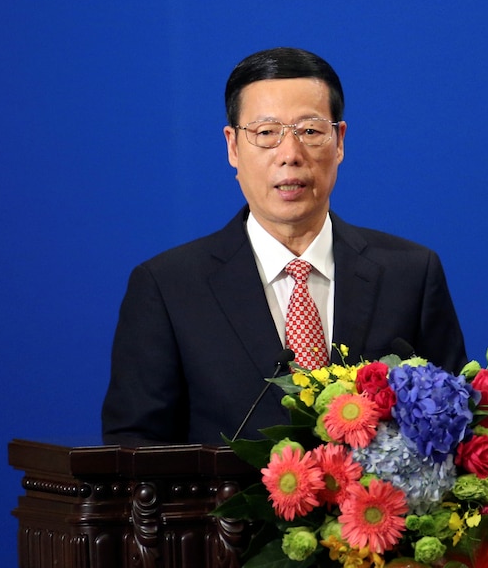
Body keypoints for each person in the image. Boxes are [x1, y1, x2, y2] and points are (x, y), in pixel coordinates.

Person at [101, 47, 466, 445]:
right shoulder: (168, 287)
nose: (290, 155)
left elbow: (454, 423)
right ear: (233, 147)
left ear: (339, 141)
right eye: (265, 134)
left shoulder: (410, 274)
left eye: (310, 131)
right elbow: (134, 448)